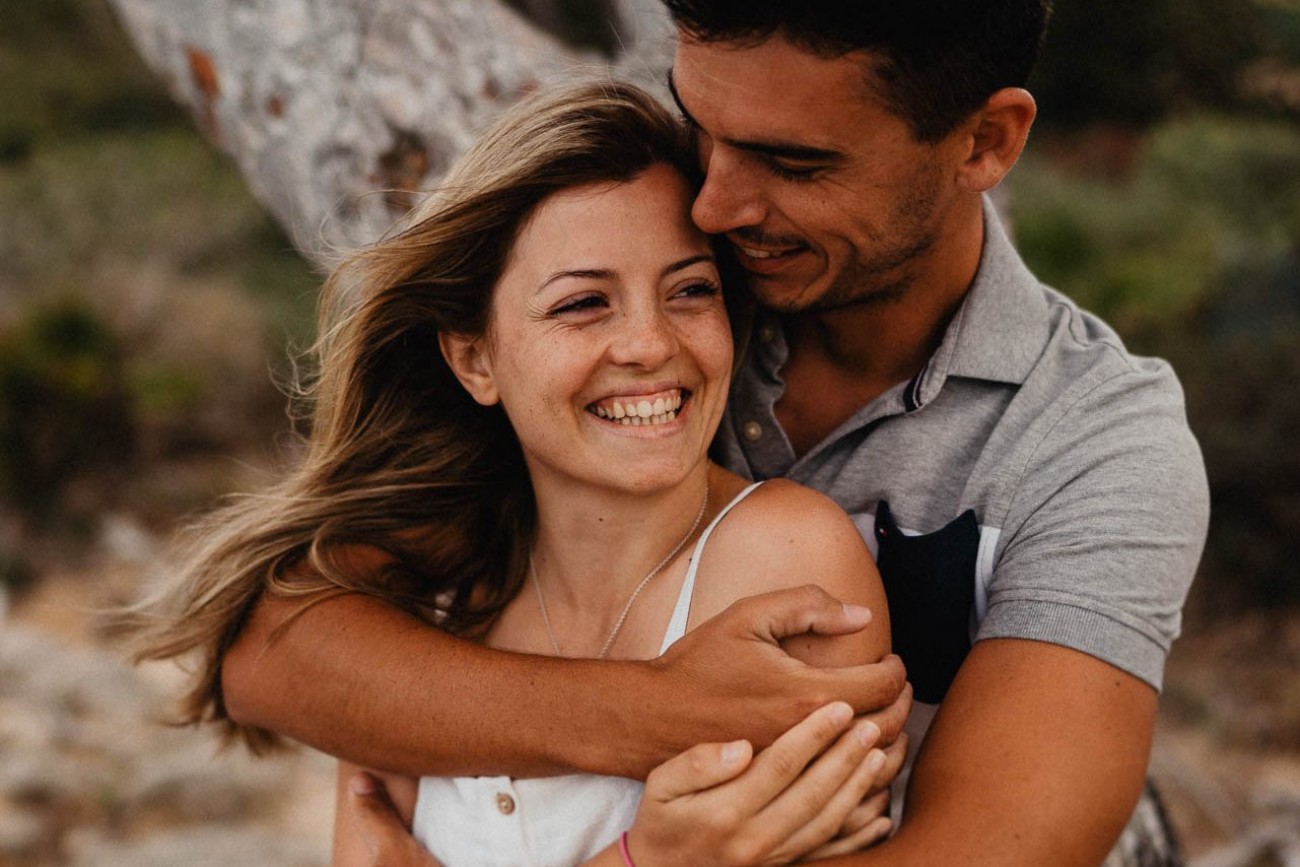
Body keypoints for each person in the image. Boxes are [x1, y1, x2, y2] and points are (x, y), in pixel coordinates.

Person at [223, 2, 1212, 865]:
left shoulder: (1096, 445)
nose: (713, 204)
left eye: (794, 162)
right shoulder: (664, 281)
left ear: (984, 142)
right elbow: (281, 652)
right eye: (704, 128)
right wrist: (659, 709)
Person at [132, 81, 900, 865]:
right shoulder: (427, 605)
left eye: (690, 291)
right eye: (582, 304)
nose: (647, 342)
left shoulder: (785, 563)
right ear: (474, 359)